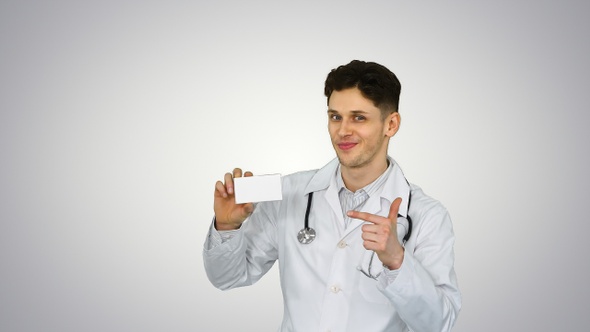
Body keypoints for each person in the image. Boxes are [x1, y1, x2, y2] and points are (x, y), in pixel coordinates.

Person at [203, 60, 461, 331]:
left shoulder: (428, 215)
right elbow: (226, 278)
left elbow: (439, 323)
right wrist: (227, 227)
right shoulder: (290, 192)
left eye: (359, 118)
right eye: (335, 116)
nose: (343, 131)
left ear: (391, 124)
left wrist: (398, 261)